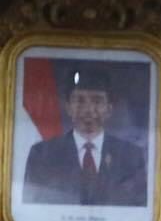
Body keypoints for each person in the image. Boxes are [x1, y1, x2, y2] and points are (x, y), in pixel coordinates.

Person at [22, 69, 148, 207]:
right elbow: (33, 205)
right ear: (68, 107)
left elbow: (138, 207)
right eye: (80, 100)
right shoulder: (42, 154)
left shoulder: (131, 156)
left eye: (97, 101)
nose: (88, 109)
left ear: (109, 109)